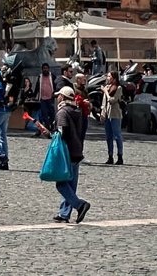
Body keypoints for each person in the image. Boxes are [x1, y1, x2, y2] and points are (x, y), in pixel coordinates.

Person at [52, 85, 90, 223]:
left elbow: (62, 132)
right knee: (71, 185)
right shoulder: (77, 111)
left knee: (61, 184)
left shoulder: (62, 112)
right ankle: (64, 213)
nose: (57, 98)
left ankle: (80, 205)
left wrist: (51, 134)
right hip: (77, 151)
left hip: (66, 152)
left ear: (62, 97)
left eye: (59, 96)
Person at [101, 70, 125, 165]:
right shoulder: (107, 87)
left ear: (114, 78)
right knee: (108, 137)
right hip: (107, 115)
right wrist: (102, 113)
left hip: (115, 114)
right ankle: (110, 156)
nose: (107, 78)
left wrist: (106, 92)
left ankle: (120, 156)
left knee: (117, 135)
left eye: (109, 76)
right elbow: (104, 102)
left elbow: (112, 100)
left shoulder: (118, 88)